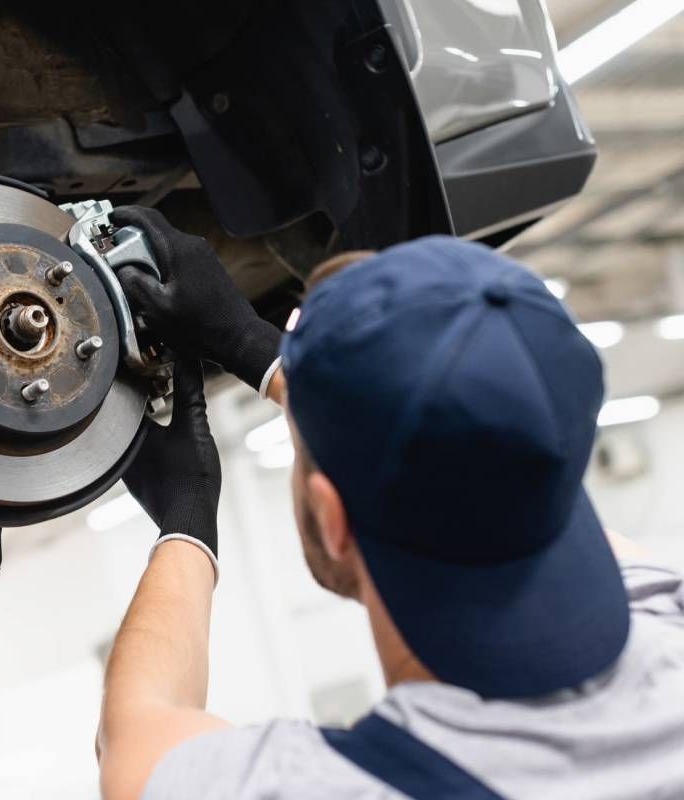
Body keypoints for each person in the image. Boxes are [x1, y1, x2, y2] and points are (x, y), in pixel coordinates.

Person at [96, 207, 684, 799]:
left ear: (333, 521)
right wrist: (254, 349)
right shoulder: (667, 617)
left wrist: (186, 519)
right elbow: (482, 458)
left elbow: (133, 748)